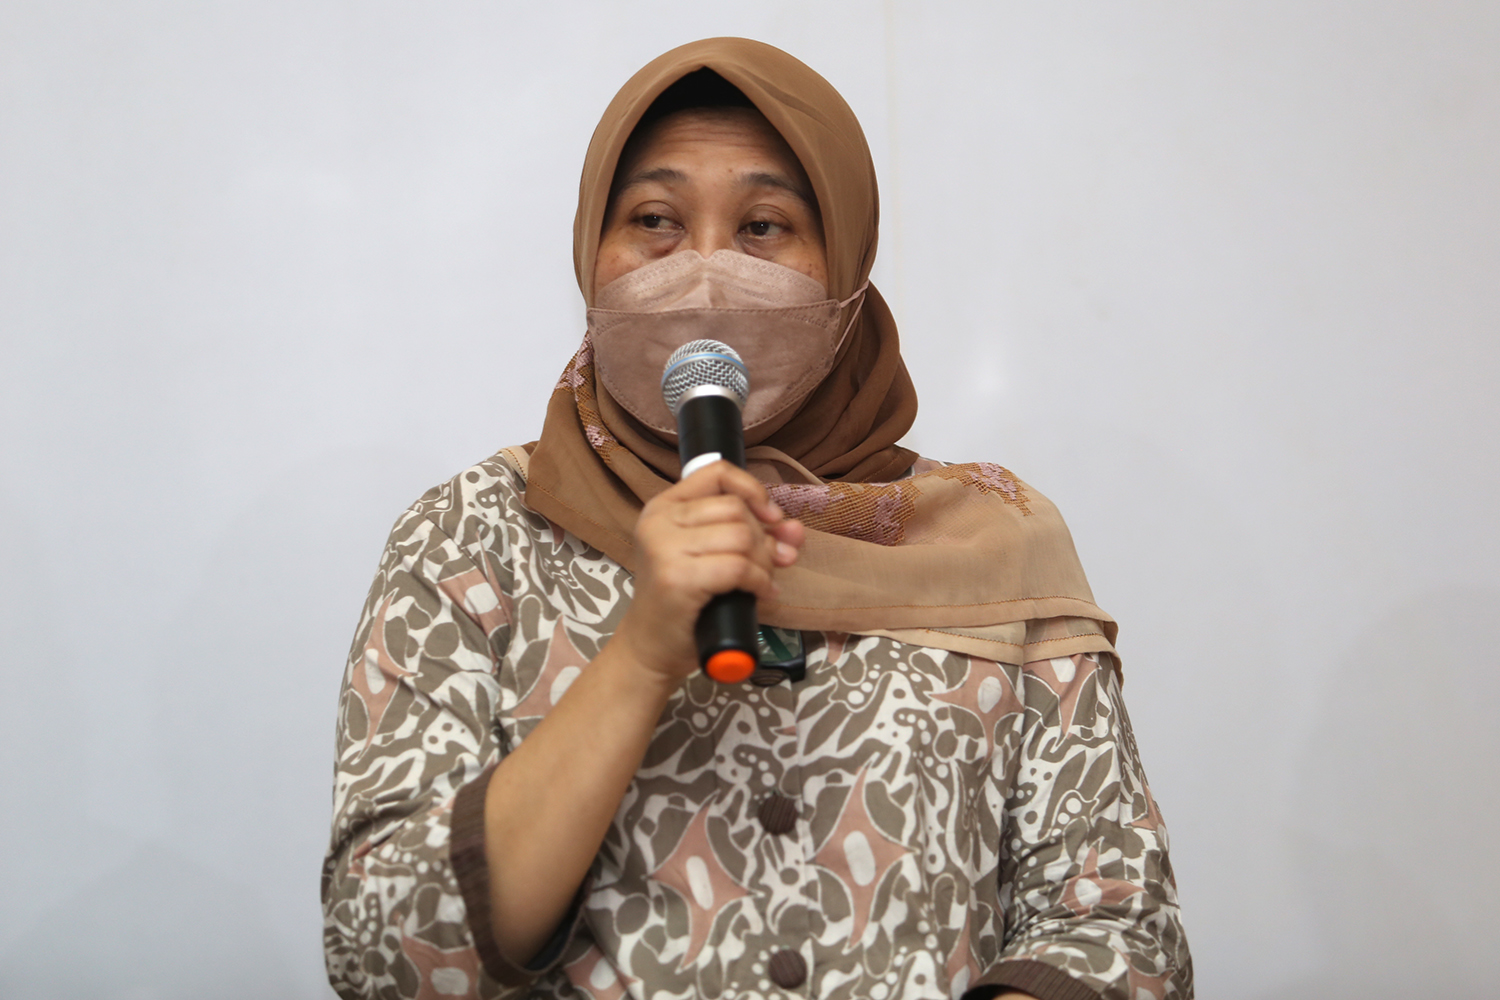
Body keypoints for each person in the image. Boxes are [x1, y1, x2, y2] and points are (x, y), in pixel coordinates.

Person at [323, 37, 1192, 1000]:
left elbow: (1122, 929)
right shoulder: (474, 536)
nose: (705, 272)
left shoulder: (995, 542)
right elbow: (384, 955)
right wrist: (640, 656)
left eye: (764, 226)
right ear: (589, 252)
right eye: (655, 220)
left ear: (847, 264)